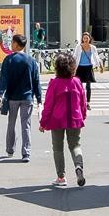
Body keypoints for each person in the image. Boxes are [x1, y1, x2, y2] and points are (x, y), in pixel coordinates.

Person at [39, 52, 88, 187]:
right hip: (74, 118)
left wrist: (43, 123)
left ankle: (61, 177)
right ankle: (78, 166)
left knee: (58, 148)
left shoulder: (54, 83)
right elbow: (83, 102)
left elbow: (48, 105)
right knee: (75, 145)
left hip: (57, 119)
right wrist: (83, 116)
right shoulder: (77, 82)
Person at [0, 33, 41, 161]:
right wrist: (39, 98)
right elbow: (36, 80)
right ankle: (26, 153)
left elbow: (4, 79)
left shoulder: (9, 60)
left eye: (12, 42)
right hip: (27, 97)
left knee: (11, 123)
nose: (11, 44)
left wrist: (0, 94)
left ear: (16, 44)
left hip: (12, 97)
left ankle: (10, 149)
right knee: (26, 125)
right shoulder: (31, 60)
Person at [76, 31, 97, 105]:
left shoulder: (92, 47)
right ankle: (80, 101)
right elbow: (75, 56)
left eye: (87, 38)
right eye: (84, 38)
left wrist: (100, 66)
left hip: (88, 67)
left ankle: (88, 102)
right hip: (80, 67)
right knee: (79, 85)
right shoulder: (79, 47)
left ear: (89, 39)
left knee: (88, 85)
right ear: (82, 39)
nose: (85, 39)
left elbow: (96, 57)